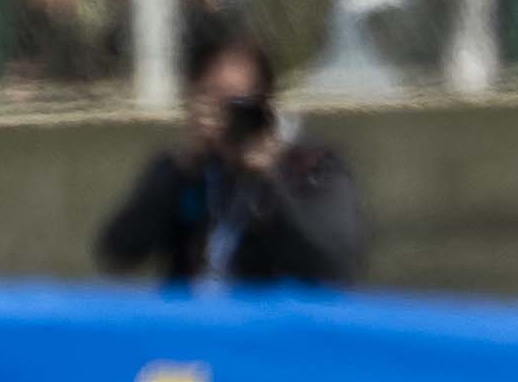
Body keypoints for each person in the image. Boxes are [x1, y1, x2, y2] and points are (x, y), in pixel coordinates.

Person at [91, 27, 370, 292]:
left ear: (265, 105)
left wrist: (272, 184)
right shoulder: (186, 171)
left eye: (240, 106)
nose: (230, 120)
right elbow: (118, 252)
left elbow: (334, 268)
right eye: (215, 101)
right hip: (197, 327)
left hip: (271, 328)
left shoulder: (311, 166)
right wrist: (179, 171)